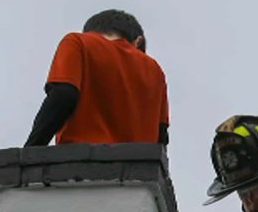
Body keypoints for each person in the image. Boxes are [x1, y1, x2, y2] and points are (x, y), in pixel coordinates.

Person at [24, 10, 169, 146]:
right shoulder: (155, 70)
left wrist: (32, 150)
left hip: (83, 161)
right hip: (138, 168)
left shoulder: (78, 42)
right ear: (138, 41)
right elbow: (162, 134)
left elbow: (63, 94)